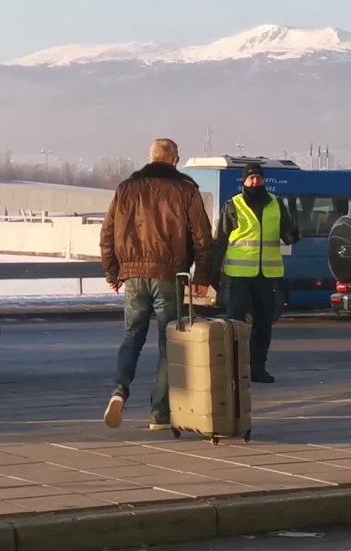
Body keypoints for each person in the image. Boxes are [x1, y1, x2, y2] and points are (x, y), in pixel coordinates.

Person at [100, 138, 214, 430]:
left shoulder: (126, 188)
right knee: (169, 346)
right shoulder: (185, 189)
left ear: (150, 158)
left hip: (134, 279)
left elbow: (108, 233)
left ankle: (119, 391)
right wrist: (201, 278)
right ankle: (159, 415)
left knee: (131, 337)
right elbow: (203, 237)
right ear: (175, 160)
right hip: (169, 276)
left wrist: (113, 273)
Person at [213, 163, 299, 383]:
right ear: (244, 182)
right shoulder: (233, 205)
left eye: (258, 178)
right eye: (251, 178)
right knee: (235, 323)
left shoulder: (276, 203)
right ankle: (232, 368)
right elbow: (221, 240)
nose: (255, 182)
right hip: (239, 275)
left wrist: (292, 234)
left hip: (267, 275)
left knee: (263, 323)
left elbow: (286, 232)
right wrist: (212, 273)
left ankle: (257, 367)